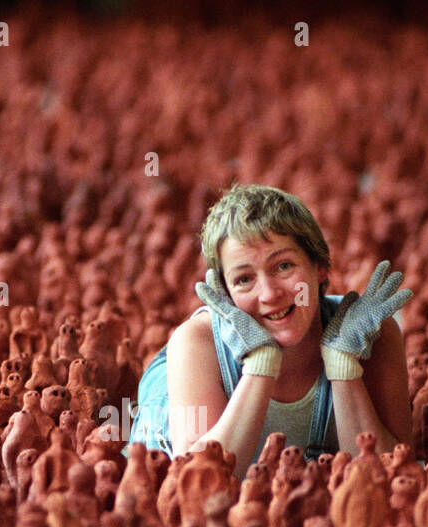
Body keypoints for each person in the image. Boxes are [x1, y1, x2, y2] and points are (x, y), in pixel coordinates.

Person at [127, 183, 413, 477]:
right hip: (173, 401)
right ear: (225, 294)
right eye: (244, 279)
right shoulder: (196, 343)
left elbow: (394, 474)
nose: (269, 294)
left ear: (320, 267)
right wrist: (260, 366)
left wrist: (343, 367)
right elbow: (198, 481)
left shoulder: (369, 332)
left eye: (284, 266)